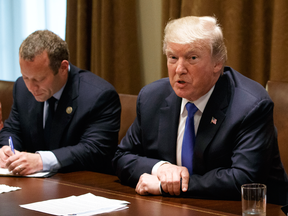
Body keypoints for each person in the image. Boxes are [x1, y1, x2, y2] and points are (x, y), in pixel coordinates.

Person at [112, 16, 288, 205]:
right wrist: (160, 168)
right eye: (173, 57)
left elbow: (244, 179)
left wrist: (169, 186)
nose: (179, 69)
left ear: (217, 63)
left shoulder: (250, 106)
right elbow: (121, 158)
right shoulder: (152, 97)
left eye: (192, 58)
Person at [0, 30, 121, 175]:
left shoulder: (99, 96)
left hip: (82, 184)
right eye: (26, 77)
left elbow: (94, 150)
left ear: (63, 68)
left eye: (39, 79)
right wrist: (6, 150)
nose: (31, 88)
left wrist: (40, 160)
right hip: (35, 184)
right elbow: (13, 129)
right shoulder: (21, 88)